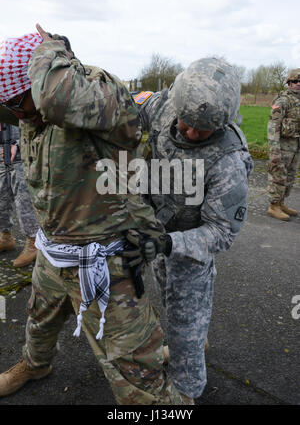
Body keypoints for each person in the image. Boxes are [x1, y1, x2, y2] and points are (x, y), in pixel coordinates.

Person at [0, 26, 186, 405]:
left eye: (19, 103)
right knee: (38, 321)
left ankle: (152, 378)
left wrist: (50, 46)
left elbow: (55, 99)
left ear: (42, 80)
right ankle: (35, 364)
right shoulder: (33, 111)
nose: (17, 114)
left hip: (103, 256)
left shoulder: (100, 95)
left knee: (138, 376)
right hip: (54, 252)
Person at [133, 57, 253, 401]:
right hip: (158, 235)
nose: (191, 133)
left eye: (204, 130)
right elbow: (119, 110)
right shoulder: (162, 106)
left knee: (184, 329)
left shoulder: (228, 160)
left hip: (188, 251)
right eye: (187, 123)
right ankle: (193, 340)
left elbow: (221, 232)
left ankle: (186, 393)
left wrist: (168, 243)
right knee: (171, 310)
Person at [0, 123, 39, 267]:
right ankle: (5, 237)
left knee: (24, 201)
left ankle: (33, 243)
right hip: (1, 149)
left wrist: (18, 143)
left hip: (21, 151)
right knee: (1, 197)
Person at [267, 69, 300, 220]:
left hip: (295, 147)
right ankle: (273, 206)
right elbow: (273, 127)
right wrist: (274, 151)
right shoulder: (283, 101)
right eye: (294, 81)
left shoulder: (298, 101)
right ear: (288, 83)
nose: (298, 84)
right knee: (278, 176)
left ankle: (281, 203)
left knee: (290, 177)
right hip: (282, 147)